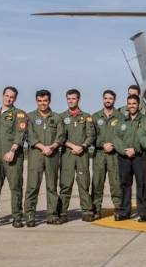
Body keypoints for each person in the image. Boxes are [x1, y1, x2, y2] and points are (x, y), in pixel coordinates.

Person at [0, 86, 28, 228]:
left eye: (12, 97)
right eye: (7, 96)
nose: (9, 99)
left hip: (12, 155)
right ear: (2, 95)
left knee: (15, 187)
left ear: (15, 98)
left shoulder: (19, 114)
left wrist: (13, 150)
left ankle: (17, 217)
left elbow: (20, 134)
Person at [24, 89, 64, 227]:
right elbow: (30, 135)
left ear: (49, 101)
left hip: (52, 155)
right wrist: (42, 147)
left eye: (45, 101)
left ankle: (52, 215)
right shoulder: (29, 117)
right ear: (36, 101)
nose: (42, 103)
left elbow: (61, 135)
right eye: (40, 101)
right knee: (32, 186)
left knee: (52, 186)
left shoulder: (57, 118)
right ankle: (30, 215)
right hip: (36, 155)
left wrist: (52, 147)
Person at [58, 89, 95, 222]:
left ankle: (86, 211)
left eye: (73, 98)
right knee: (65, 184)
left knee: (83, 183)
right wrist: (72, 146)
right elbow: (60, 136)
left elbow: (91, 135)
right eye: (68, 99)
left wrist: (83, 146)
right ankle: (62, 212)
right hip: (67, 155)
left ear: (78, 99)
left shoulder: (86, 117)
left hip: (82, 155)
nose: (70, 101)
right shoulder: (61, 117)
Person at [91, 90, 123, 218]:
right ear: (102, 99)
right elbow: (91, 136)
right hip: (99, 153)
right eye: (106, 98)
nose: (108, 100)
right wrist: (102, 144)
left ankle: (118, 209)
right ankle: (96, 209)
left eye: (110, 98)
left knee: (115, 183)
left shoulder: (120, 117)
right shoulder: (95, 117)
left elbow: (122, 135)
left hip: (115, 155)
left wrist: (114, 145)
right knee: (97, 183)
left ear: (114, 100)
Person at [114, 94, 145, 220]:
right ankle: (125, 212)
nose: (131, 106)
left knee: (142, 184)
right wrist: (124, 150)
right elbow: (116, 138)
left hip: (139, 157)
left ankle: (143, 212)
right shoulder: (122, 122)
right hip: (124, 157)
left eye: (134, 103)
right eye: (130, 103)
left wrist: (135, 149)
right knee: (125, 184)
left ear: (139, 105)